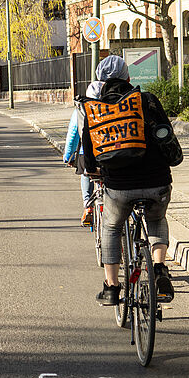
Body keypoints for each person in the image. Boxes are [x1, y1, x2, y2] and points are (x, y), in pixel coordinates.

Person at [81, 55, 175, 306]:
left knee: (111, 227)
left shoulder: (96, 108)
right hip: (157, 182)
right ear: (128, 78)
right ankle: (158, 269)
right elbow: (166, 134)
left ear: (100, 82)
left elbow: (89, 150)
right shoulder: (146, 100)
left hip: (118, 186)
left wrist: (92, 171)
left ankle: (112, 288)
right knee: (156, 219)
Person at [64, 80, 104, 226]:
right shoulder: (111, 107)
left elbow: (73, 134)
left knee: (86, 171)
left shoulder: (81, 109)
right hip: (109, 150)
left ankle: (88, 206)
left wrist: (68, 156)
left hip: (86, 152)